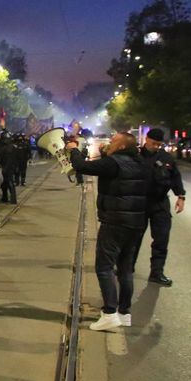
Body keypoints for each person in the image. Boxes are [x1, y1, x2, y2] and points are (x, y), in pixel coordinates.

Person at [68, 132, 148, 331]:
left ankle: (110, 313)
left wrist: (74, 150)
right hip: (135, 222)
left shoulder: (114, 162)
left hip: (115, 221)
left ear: (121, 147)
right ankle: (124, 313)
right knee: (125, 269)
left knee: (104, 267)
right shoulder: (140, 162)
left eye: (113, 142)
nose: (109, 144)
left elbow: (81, 167)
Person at [134, 127, 185, 286]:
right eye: (154, 143)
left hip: (160, 203)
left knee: (161, 240)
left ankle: (157, 272)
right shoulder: (135, 156)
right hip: (139, 203)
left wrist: (181, 196)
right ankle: (127, 267)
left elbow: (175, 177)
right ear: (146, 139)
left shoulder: (166, 158)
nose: (156, 146)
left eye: (159, 144)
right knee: (133, 239)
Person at [0, 130, 19, 205]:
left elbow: (9, 159)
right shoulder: (9, 146)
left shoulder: (8, 147)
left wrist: (5, 168)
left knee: (9, 182)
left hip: (7, 167)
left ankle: (12, 199)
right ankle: (6, 198)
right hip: (7, 167)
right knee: (5, 183)